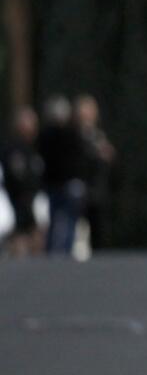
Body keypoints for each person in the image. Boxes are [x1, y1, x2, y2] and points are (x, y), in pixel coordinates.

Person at [38, 95, 87, 256]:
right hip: (56, 184)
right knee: (56, 218)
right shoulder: (49, 136)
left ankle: (64, 248)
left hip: (64, 184)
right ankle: (55, 249)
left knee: (68, 218)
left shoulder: (70, 134)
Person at [74, 94, 116, 250]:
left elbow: (108, 157)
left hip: (98, 189)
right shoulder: (74, 136)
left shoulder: (98, 135)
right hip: (81, 189)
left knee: (99, 231)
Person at [2, 107, 45, 256]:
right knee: (19, 239)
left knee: (36, 238)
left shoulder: (34, 149)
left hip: (33, 200)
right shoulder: (13, 149)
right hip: (17, 201)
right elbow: (16, 177)